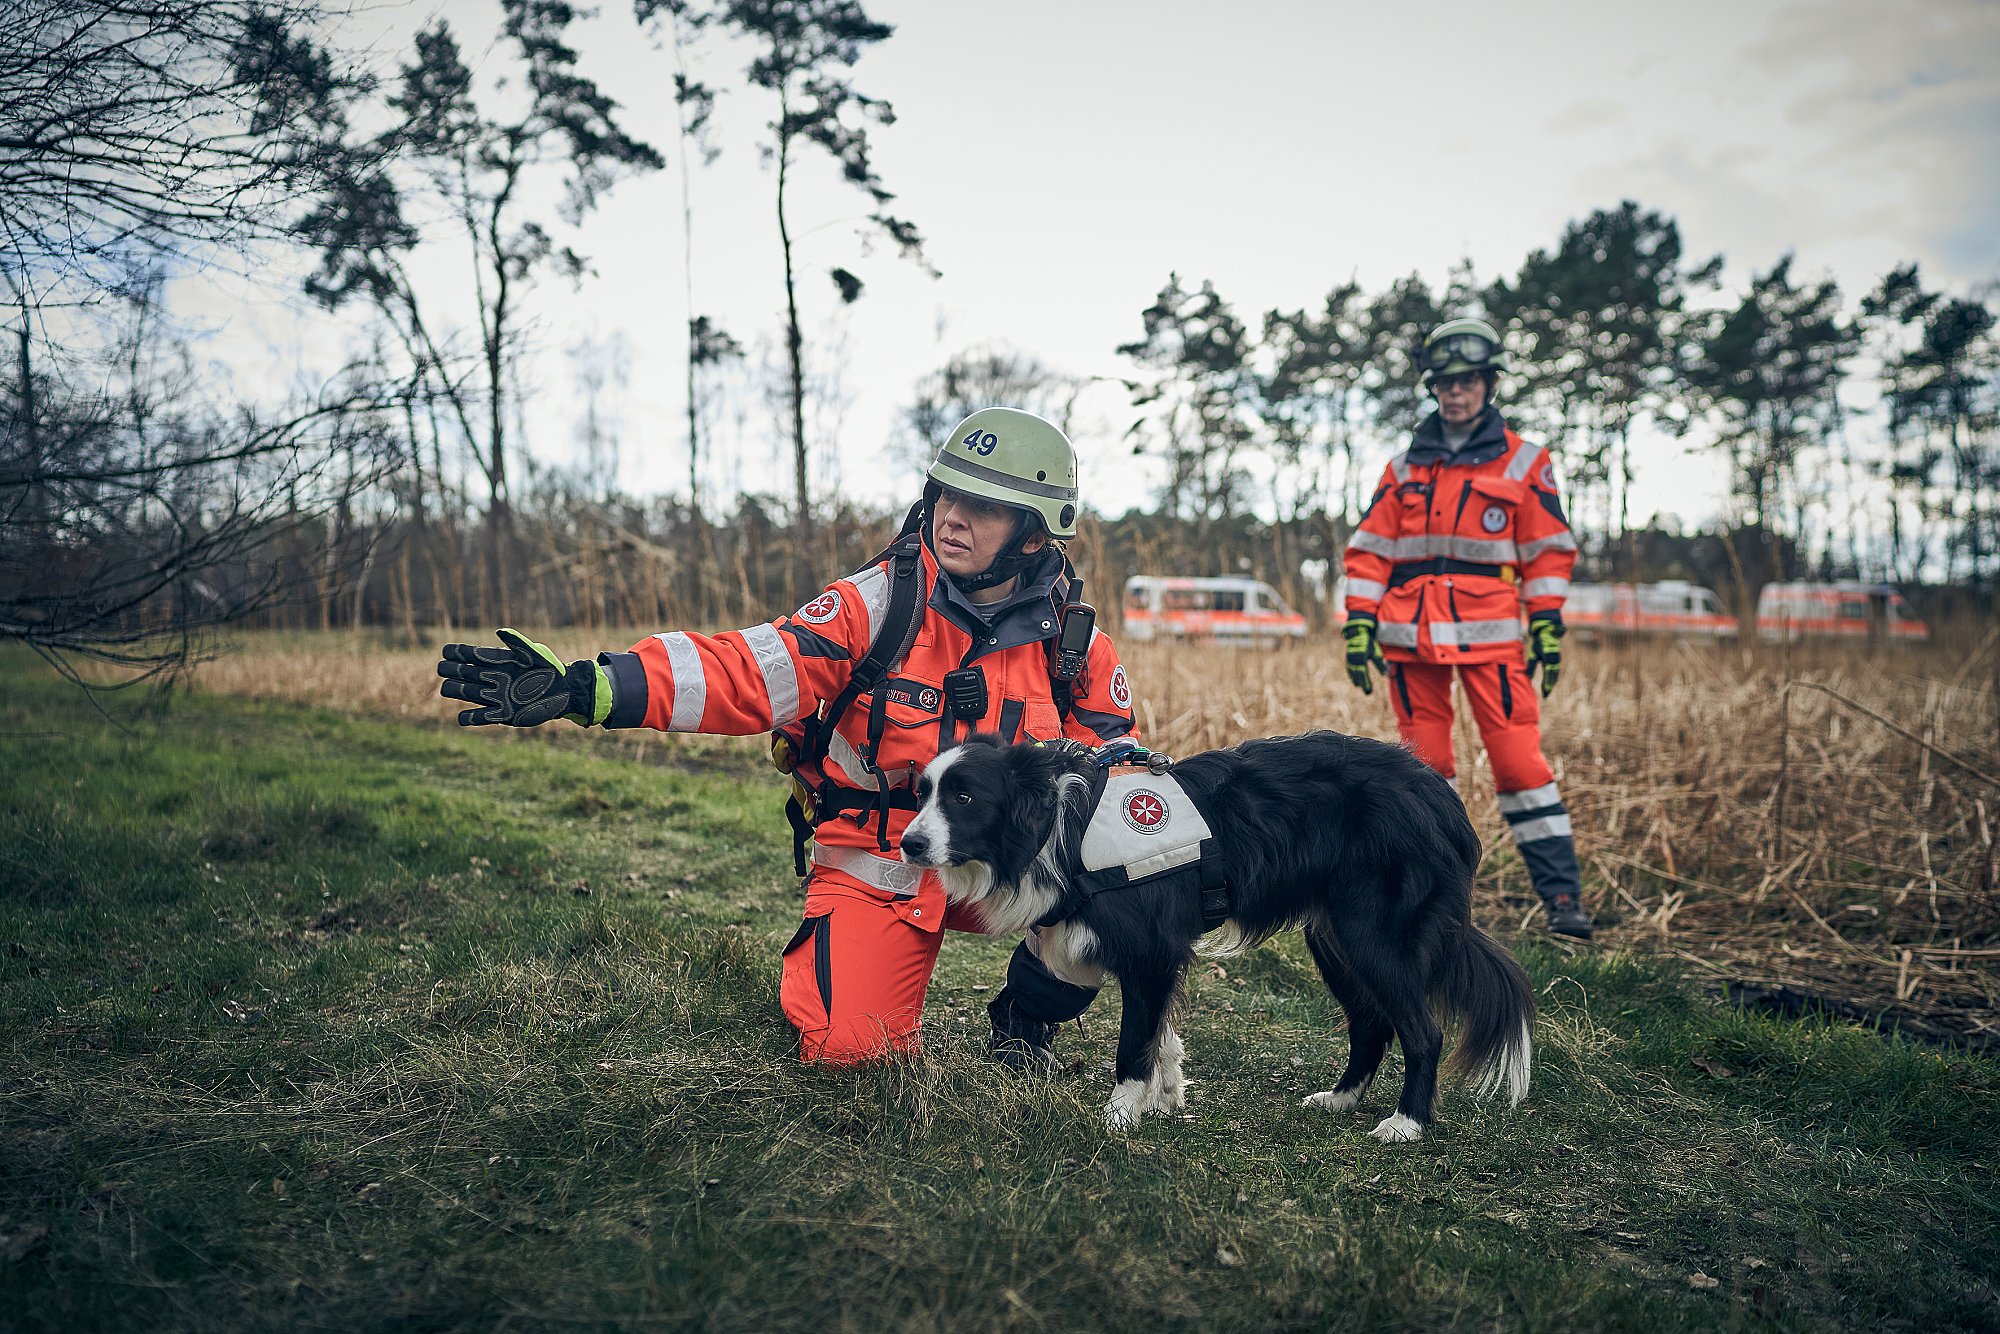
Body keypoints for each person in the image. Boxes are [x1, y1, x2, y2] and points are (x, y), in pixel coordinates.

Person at [436, 407, 1138, 1064]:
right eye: (946, 494)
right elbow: (747, 670)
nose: (952, 517)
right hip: (881, 854)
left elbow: (1106, 785)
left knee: (1112, 880)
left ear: (1037, 534)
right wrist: (591, 688)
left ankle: (1028, 1015)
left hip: (1001, 870)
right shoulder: (878, 604)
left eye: (984, 507)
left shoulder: (1074, 650)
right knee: (849, 1051)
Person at [1339, 317, 1593, 939]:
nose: (1458, 392)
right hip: (1411, 640)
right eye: (1447, 382)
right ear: (1434, 388)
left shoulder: (1527, 461)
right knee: (1427, 773)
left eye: (1470, 381)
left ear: (1489, 384)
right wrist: (1358, 624)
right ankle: (1438, 904)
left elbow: (1547, 551)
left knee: (1519, 765)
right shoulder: (1402, 469)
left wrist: (1548, 624)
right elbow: (1370, 551)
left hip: (1492, 638)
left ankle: (1563, 902)